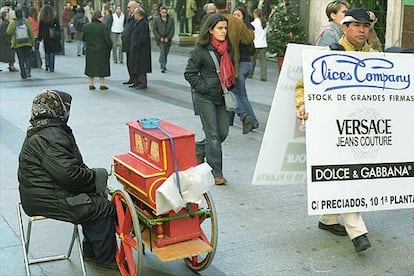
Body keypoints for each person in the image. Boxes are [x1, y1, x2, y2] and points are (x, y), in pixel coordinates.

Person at [295, 8, 375, 253]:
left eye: (366, 26)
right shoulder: (330, 54)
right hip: (332, 128)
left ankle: (328, 219)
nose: (362, 30)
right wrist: (302, 105)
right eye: (357, 26)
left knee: (349, 174)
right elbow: (303, 86)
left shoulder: (373, 56)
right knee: (349, 175)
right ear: (345, 28)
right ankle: (357, 231)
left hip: (361, 128)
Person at [18, 89, 117, 270]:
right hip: (48, 199)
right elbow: (70, 175)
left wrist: (92, 181)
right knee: (103, 207)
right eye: (67, 107)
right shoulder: (53, 135)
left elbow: (70, 168)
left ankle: (91, 251)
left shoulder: (41, 127)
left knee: (92, 199)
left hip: (38, 194)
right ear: (58, 109)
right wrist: (97, 176)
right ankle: (105, 259)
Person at [184, 13, 234, 185]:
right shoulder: (200, 50)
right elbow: (189, 73)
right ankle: (216, 172)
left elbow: (231, 69)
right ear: (211, 30)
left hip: (222, 96)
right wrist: (204, 87)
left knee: (222, 133)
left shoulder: (228, 48)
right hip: (205, 97)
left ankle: (198, 150)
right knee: (213, 135)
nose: (223, 31)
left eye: (225, 28)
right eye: (220, 28)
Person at [232, 6, 258, 133]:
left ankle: (250, 120)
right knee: (241, 94)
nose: (235, 17)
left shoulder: (241, 31)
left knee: (236, 94)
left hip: (241, 65)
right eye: (234, 15)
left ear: (243, 17)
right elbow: (252, 50)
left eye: (238, 15)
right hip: (247, 64)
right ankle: (250, 120)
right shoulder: (249, 29)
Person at [213, 0, 253, 75]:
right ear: (226, 5)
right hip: (231, 59)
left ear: (215, 6)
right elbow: (248, 39)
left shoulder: (209, 19)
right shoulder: (236, 21)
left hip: (212, 58)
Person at [82, 10, 112, 90]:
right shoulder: (103, 27)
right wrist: (110, 46)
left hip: (90, 49)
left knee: (90, 66)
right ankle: (102, 84)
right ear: (99, 18)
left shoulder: (86, 26)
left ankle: (91, 83)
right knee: (102, 66)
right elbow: (107, 39)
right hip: (102, 50)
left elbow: (83, 38)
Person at [6, 9, 34, 79]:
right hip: (27, 43)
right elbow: (31, 32)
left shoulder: (13, 23)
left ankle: (23, 73)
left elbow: (8, 32)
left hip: (17, 44)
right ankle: (28, 69)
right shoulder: (26, 21)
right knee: (28, 57)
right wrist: (32, 43)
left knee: (21, 59)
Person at [130, 6, 151, 89]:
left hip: (141, 50)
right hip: (136, 49)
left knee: (141, 66)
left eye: (135, 14)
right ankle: (136, 81)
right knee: (136, 66)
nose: (134, 16)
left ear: (139, 14)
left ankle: (142, 82)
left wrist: (136, 44)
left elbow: (143, 37)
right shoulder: (138, 22)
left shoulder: (143, 23)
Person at [38, 4, 62, 72]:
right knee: (52, 52)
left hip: (46, 37)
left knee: (47, 51)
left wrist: (39, 38)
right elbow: (58, 28)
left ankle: (47, 65)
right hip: (53, 37)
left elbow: (40, 30)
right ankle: (52, 67)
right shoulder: (54, 18)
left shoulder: (42, 19)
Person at [121, 1, 140, 85]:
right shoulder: (129, 16)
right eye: (128, 7)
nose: (128, 9)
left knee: (133, 62)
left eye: (129, 7)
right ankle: (131, 78)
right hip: (127, 43)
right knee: (129, 62)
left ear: (135, 7)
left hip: (133, 44)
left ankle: (136, 79)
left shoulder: (137, 17)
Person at [152, 6, 174, 73]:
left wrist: (168, 38)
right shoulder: (157, 19)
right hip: (160, 39)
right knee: (162, 52)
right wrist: (160, 38)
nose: (164, 14)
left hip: (168, 39)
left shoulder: (171, 19)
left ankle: (162, 62)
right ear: (160, 12)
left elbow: (172, 30)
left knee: (166, 52)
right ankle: (163, 66)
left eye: (165, 12)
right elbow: (154, 30)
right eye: (162, 12)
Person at [250, 9, 268, 81]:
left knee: (252, 60)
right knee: (263, 61)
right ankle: (263, 76)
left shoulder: (253, 24)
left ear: (255, 14)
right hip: (263, 44)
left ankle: (250, 74)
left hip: (255, 44)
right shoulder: (265, 23)